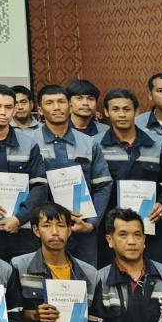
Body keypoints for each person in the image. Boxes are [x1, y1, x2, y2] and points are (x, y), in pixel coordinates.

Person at [7, 202, 102, 322]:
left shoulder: (90, 273)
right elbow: (10, 314)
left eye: (61, 225)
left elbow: (97, 320)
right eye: (47, 225)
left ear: (69, 230)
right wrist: (34, 315)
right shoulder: (19, 266)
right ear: (36, 230)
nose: (55, 232)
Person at [34, 83, 112, 266]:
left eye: (61, 102)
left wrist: (92, 223)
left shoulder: (89, 143)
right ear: (40, 110)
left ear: (69, 106)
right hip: (45, 228)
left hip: (82, 228)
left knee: (86, 276)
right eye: (49, 103)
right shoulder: (30, 142)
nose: (57, 107)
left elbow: (103, 185)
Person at [97, 88, 162, 264]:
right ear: (107, 112)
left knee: (154, 272)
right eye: (115, 109)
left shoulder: (157, 144)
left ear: (137, 112)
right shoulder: (95, 144)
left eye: (127, 109)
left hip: (151, 224)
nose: (121, 114)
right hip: (110, 227)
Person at [0, 83, 46, 262]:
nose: (3, 112)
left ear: (14, 110)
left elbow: (40, 186)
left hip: (22, 228)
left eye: (8, 107)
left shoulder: (29, 143)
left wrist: (19, 218)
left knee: (26, 277)